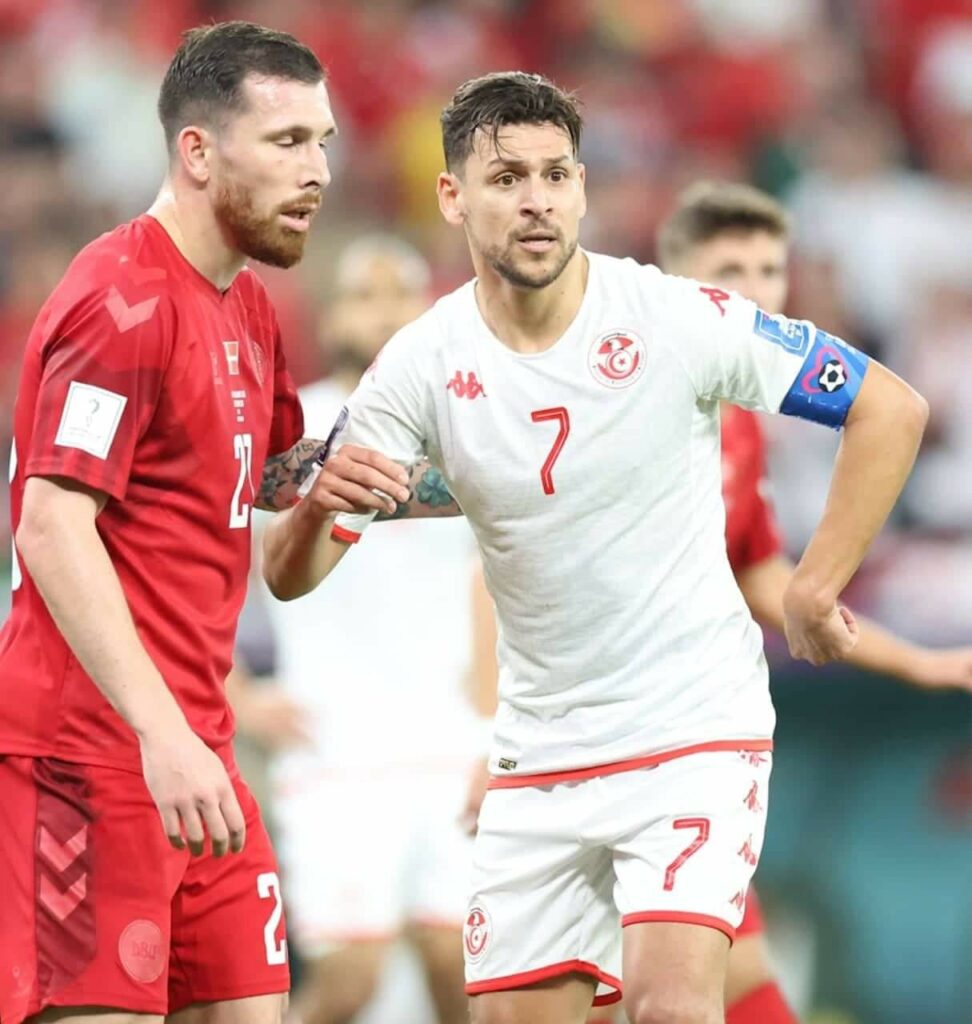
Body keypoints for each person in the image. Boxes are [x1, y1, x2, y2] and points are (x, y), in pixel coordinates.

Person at [261, 72, 928, 1024]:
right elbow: (294, 577)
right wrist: (312, 510)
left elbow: (887, 408)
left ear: (581, 188)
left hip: (690, 728)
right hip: (537, 751)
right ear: (453, 197)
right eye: (506, 179)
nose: (536, 199)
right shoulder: (419, 363)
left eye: (555, 174)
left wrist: (815, 589)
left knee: (669, 1007)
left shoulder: (676, 317)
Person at [465, 179, 972, 1024]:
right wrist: (494, 740)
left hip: (680, 747)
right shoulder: (616, 391)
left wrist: (917, 663)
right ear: (677, 282)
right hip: (577, 748)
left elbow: (761, 576)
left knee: (723, 981)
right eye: (730, 270)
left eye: (770, 270)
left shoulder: (734, 422)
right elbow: (503, 577)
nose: (757, 291)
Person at [0, 21, 410, 1024]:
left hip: (199, 753)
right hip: (91, 759)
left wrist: (366, 479)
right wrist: (161, 733)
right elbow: (51, 525)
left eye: (322, 142)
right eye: (286, 142)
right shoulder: (119, 301)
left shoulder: (249, 306)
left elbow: (267, 487)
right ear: (197, 151)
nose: (317, 171)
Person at [237, 235, 482, 1024]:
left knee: (461, 973)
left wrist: (500, 714)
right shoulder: (292, 434)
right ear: (331, 316)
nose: (381, 311)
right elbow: (203, 569)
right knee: (351, 981)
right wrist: (236, 695)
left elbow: (497, 578)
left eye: (398, 293)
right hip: (333, 744)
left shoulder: (467, 426)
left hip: (450, 738)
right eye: (362, 295)